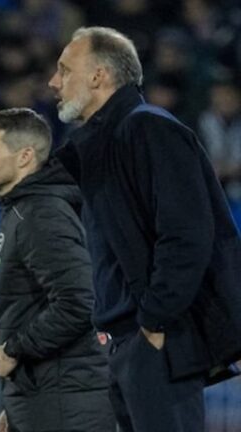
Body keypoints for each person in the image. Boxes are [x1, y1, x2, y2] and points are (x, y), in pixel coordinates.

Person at [48, 27, 241, 432]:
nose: (54, 82)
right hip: (123, 341)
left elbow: (187, 235)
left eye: (65, 70)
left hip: (153, 338)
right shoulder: (99, 144)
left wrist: (155, 321)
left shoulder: (149, 128)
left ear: (99, 76)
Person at [0, 107, 114, 432]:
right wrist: (20, 402)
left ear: (24, 157)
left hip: (66, 399)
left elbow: (79, 302)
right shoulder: (22, 209)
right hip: (47, 395)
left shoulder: (41, 214)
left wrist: (13, 349)